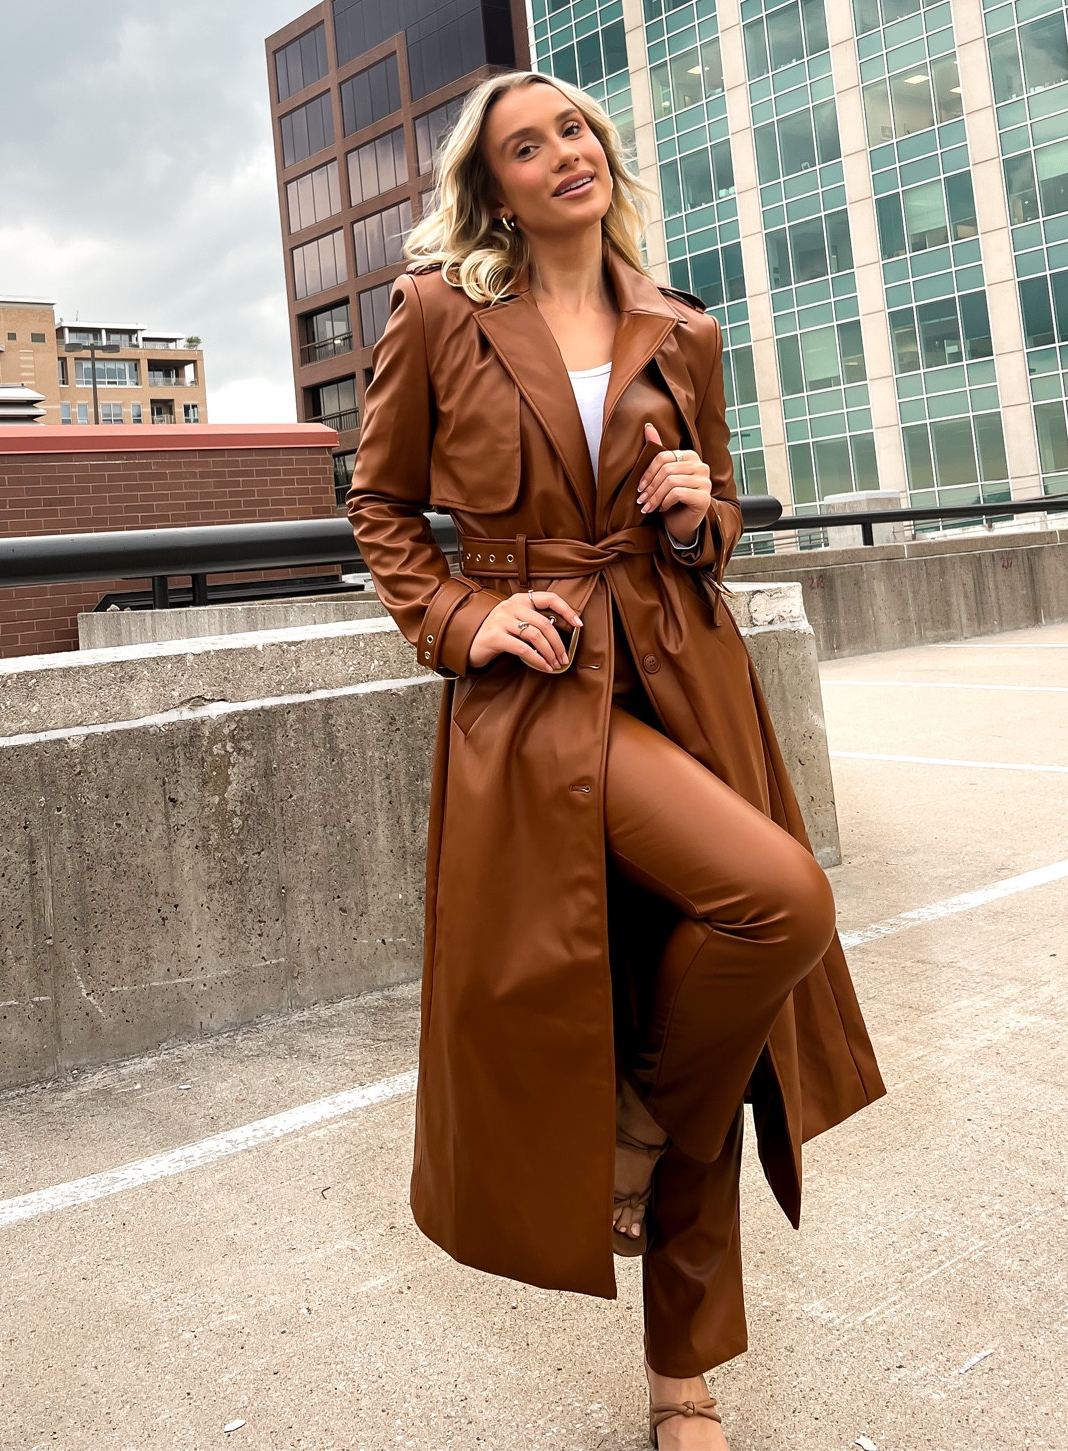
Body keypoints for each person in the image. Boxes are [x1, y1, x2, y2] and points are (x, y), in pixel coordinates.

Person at [348, 70, 883, 1448]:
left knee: (726, 957)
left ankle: (678, 1361)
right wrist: (465, 616)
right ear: (497, 189)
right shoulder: (438, 316)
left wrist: (705, 506)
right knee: (780, 900)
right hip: (533, 697)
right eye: (526, 146)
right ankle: (646, 1121)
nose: (561, 152)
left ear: (603, 154)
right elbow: (381, 500)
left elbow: (718, 510)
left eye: (574, 129)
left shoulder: (680, 326)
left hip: (684, 672)